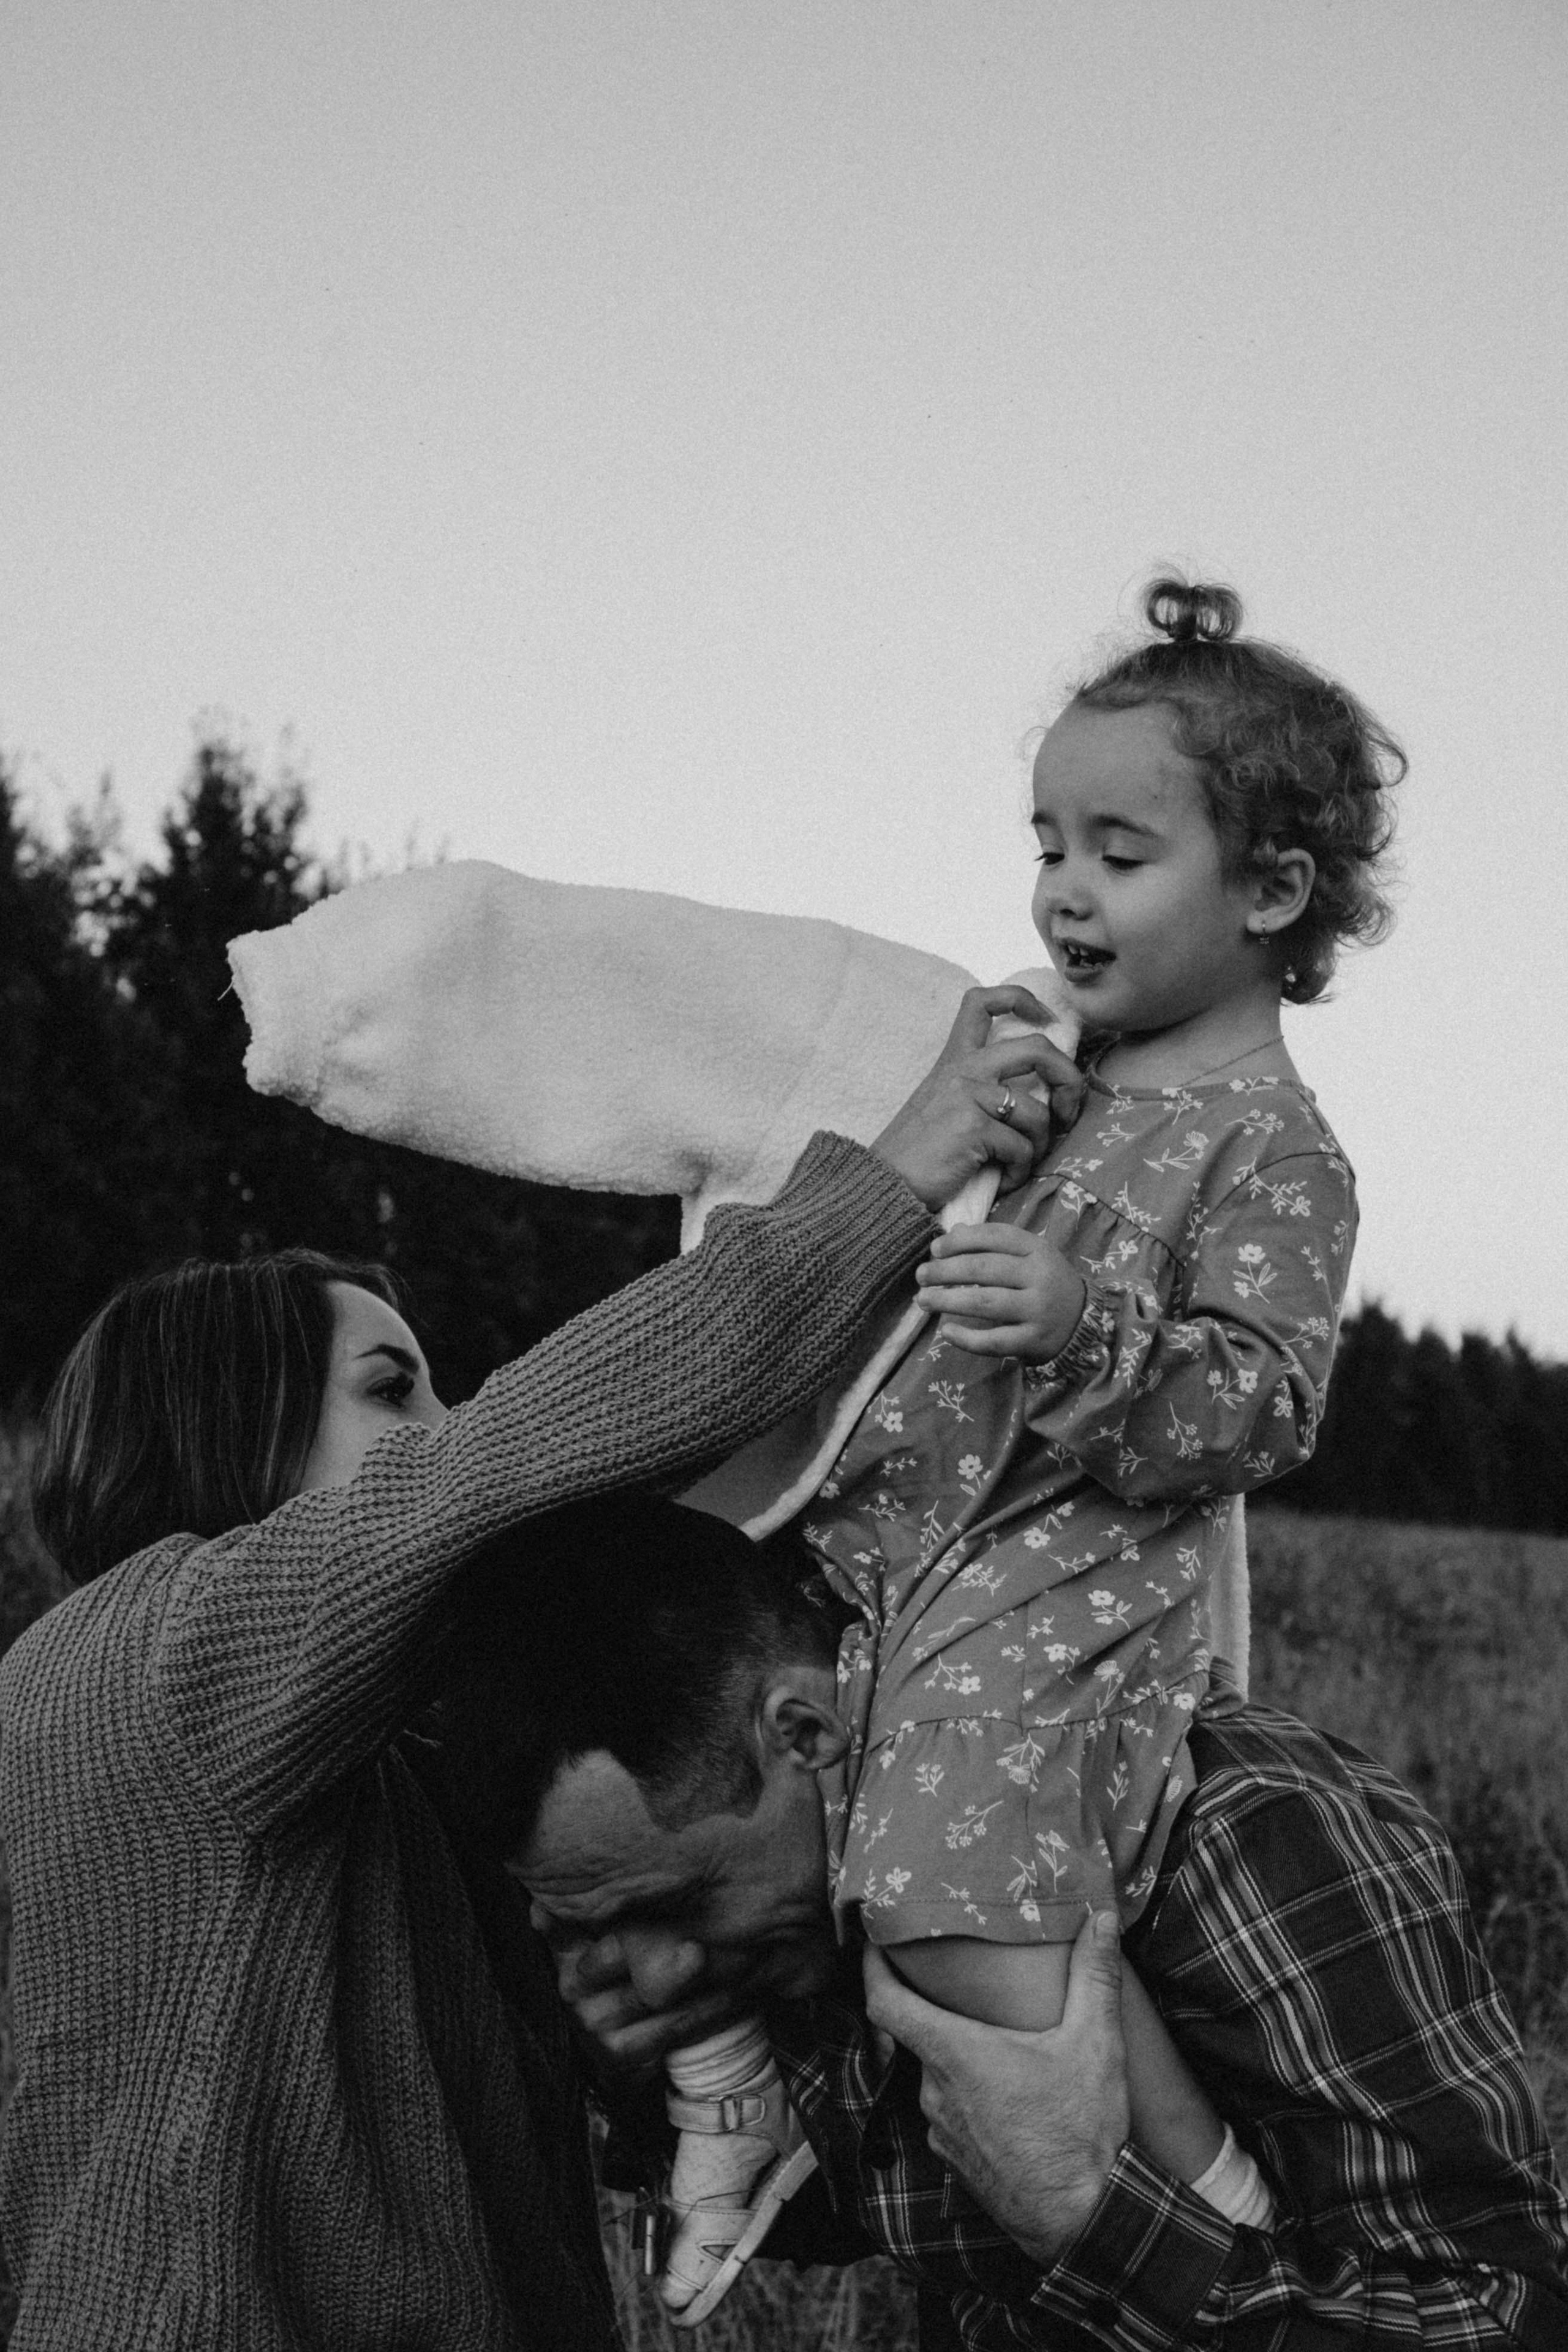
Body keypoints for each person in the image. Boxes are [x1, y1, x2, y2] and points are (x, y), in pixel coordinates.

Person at [0, 991, 1076, 2352]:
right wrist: (893, 1182)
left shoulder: (391, 1767)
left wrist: (628, 2061)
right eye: (396, 1392)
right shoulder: (150, 1668)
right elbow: (504, 1472)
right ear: (222, 1425)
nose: (446, 1428)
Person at [647, 575, 1404, 2317]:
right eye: (1047, 839)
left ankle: (1204, 2218)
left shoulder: (1277, 1151)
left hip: (1048, 1594)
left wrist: (1088, 1327)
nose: (1064, 885)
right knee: (664, 1749)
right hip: (868, 1548)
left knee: (948, 1888)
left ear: (1272, 891)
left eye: (1119, 850)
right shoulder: (1053, 1072)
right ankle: (729, 2080)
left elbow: (1266, 1408)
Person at [476, 1497, 1568, 2349]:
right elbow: (872, 2213)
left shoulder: (1246, 1840)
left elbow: (1506, 2324)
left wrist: (1092, 2215)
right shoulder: (815, 1913)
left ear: (805, 1730)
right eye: (598, 1930)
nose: (659, 1975)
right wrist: (645, 2081)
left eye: (679, 1902)